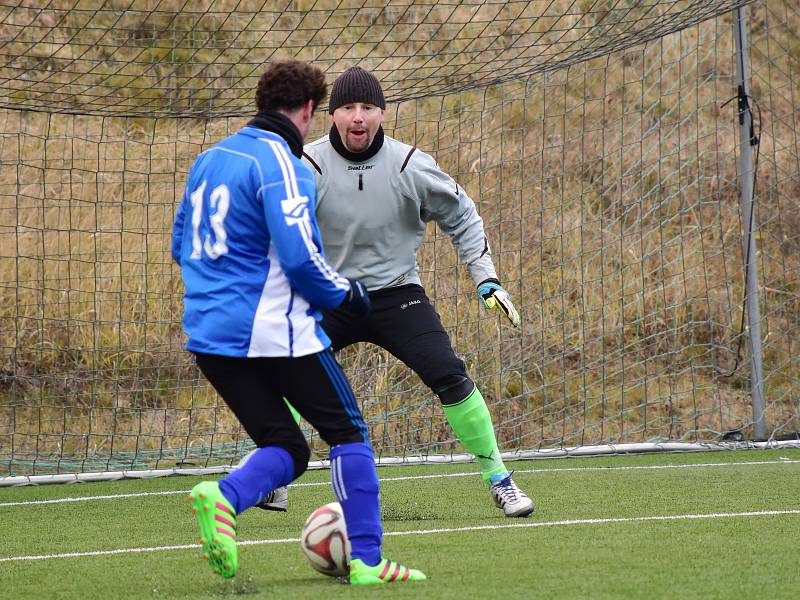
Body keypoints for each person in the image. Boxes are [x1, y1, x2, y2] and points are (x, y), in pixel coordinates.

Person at [171, 59, 426, 585]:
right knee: (348, 432)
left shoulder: (209, 159)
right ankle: (368, 563)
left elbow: (180, 245)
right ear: (309, 110)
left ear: (262, 103)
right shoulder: (282, 162)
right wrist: (346, 295)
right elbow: (299, 257)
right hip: (269, 328)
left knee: (286, 447)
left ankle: (225, 495)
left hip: (207, 333)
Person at [259, 66, 533, 518]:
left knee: (449, 373)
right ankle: (277, 476)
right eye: (348, 107)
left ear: (382, 112)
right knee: (281, 372)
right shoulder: (304, 165)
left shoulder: (410, 166)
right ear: (333, 114)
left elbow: (463, 215)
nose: (358, 116)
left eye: (367, 107)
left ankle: (500, 480)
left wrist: (486, 278)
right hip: (330, 296)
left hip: (396, 295)